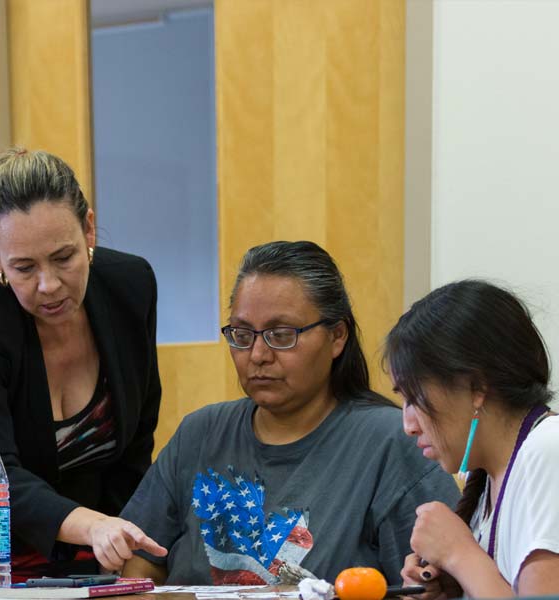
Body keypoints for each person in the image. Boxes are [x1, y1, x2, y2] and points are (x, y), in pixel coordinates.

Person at [120, 241, 459, 585]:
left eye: (281, 335)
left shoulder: (394, 442)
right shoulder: (199, 433)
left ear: (337, 336)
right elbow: (140, 559)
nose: (258, 354)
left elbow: (428, 586)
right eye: (242, 334)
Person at [0, 148, 165, 578]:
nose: (49, 285)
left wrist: (119, 542)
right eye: (24, 267)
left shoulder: (131, 287)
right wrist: (93, 525)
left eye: (64, 257)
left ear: (89, 229)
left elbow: (134, 441)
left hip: (71, 515)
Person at [385, 279, 559, 597]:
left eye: (415, 397)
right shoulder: (492, 474)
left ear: (477, 387)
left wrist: (460, 555)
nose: (408, 425)